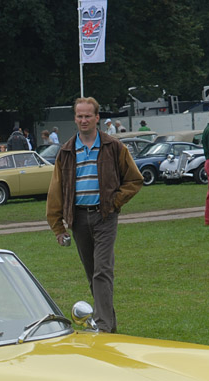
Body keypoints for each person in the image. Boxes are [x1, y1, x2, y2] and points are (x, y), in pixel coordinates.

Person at [46, 96, 143, 334]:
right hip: (78, 219)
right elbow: (56, 189)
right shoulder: (67, 150)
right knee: (93, 274)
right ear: (75, 118)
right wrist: (58, 226)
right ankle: (109, 323)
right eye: (79, 116)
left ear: (97, 118)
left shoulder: (114, 147)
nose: (84, 120)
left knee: (102, 270)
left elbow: (134, 179)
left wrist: (113, 203)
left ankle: (104, 327)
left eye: (88, 115)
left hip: (104, 217)